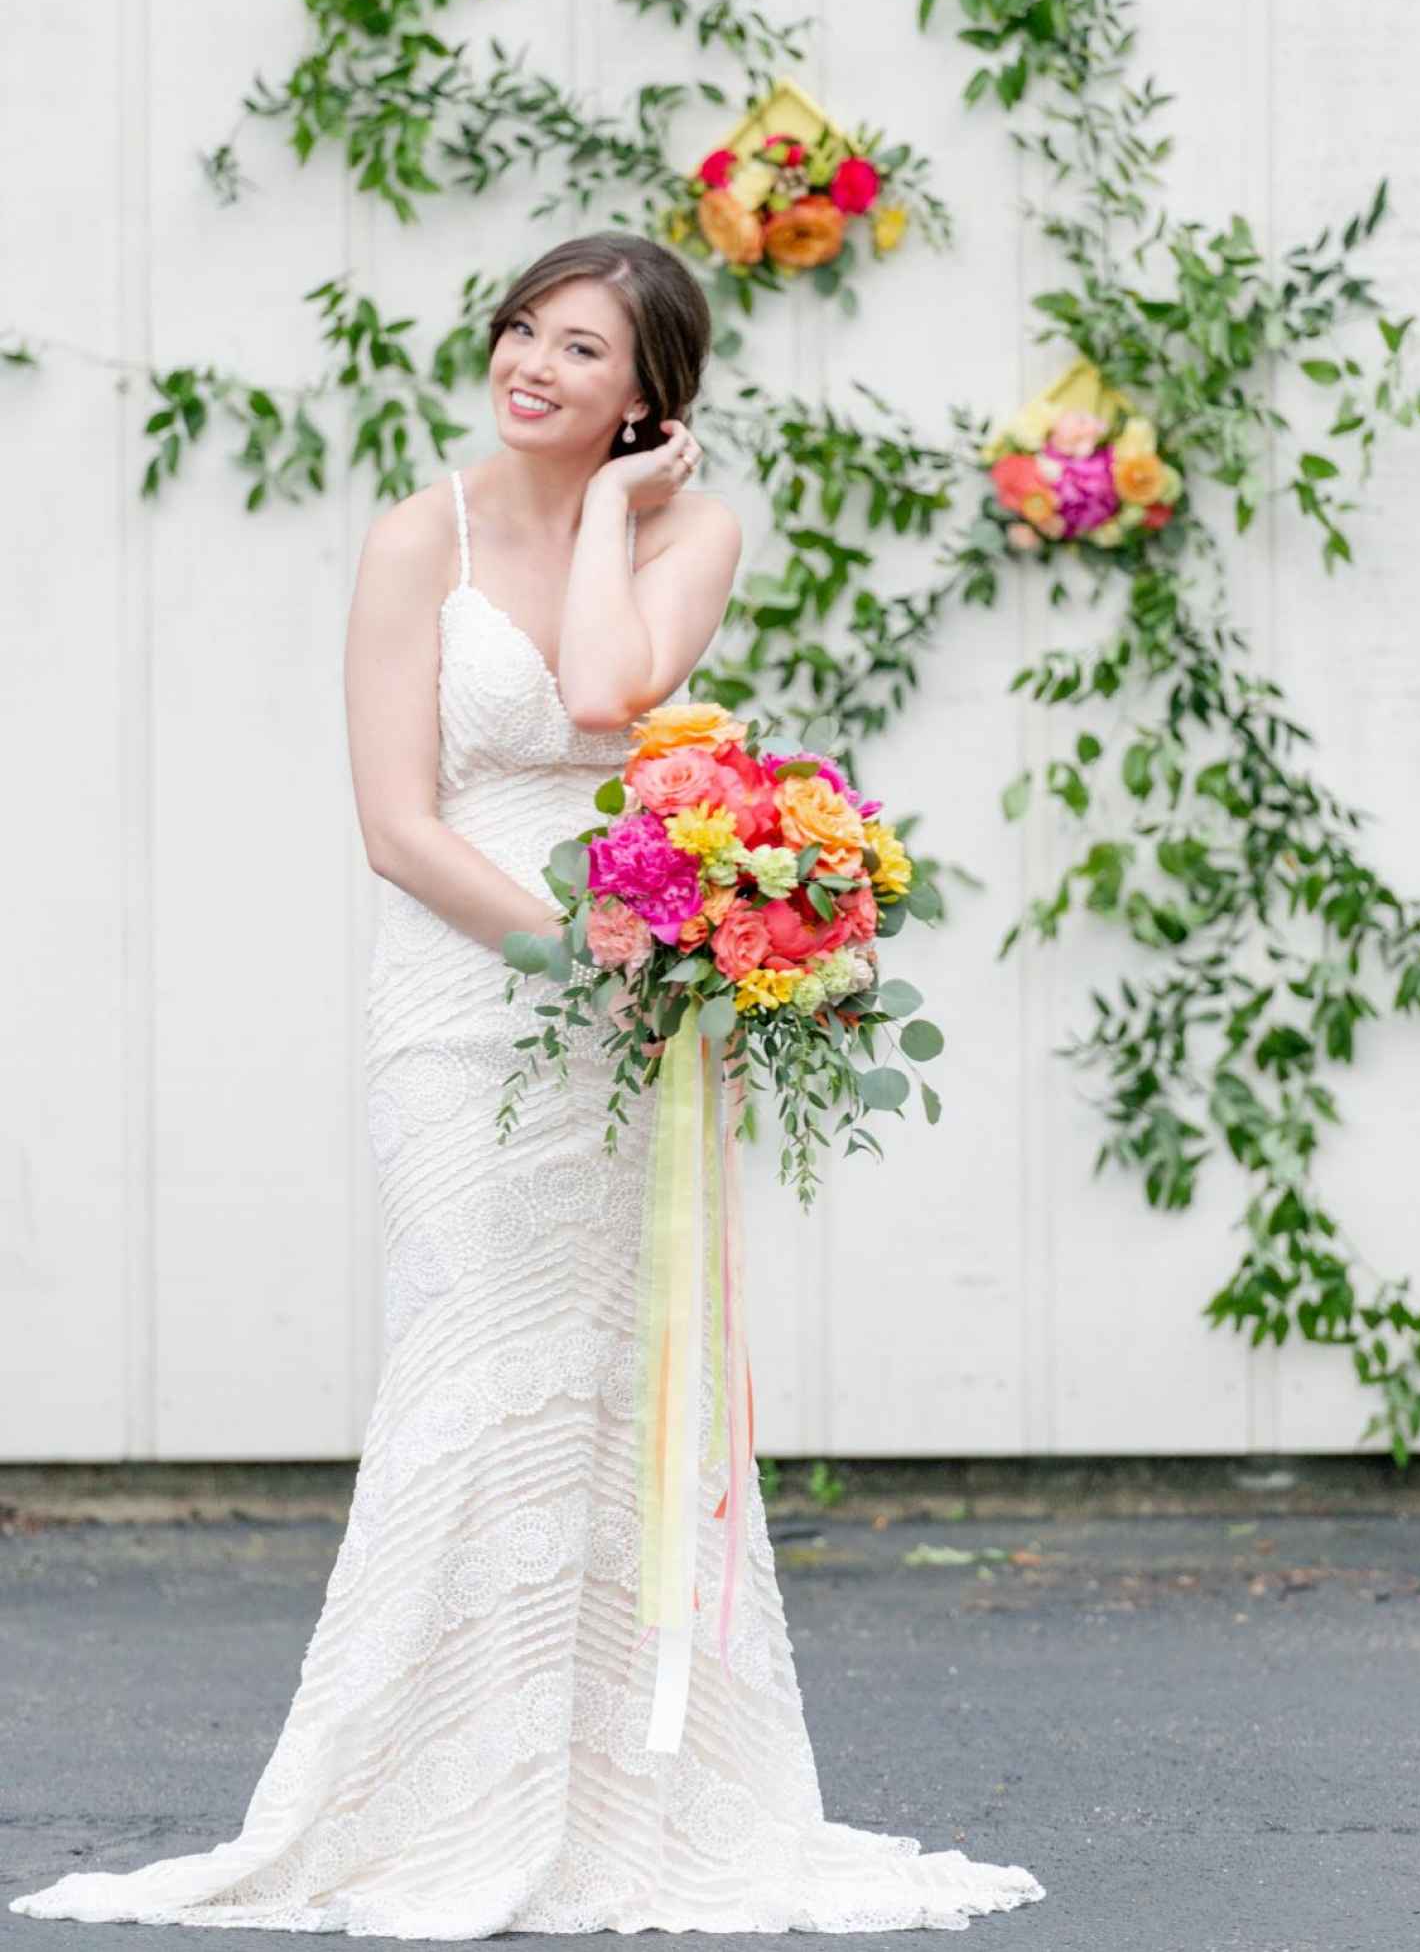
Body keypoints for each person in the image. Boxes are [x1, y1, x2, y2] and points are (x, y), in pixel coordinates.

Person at [9, 230, 1046, 1936]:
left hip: (634, 1012)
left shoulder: (692, 531)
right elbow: (396, 822)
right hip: (471, 994)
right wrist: (575, 955)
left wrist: (617, 515)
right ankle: (430, 1786)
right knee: (475, 1359)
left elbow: (600, 691)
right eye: (521, 329)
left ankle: (617, 1792)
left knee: (625, 1375)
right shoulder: (415, 535)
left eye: (581, 347)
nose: (532, 364)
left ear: (649, 395)